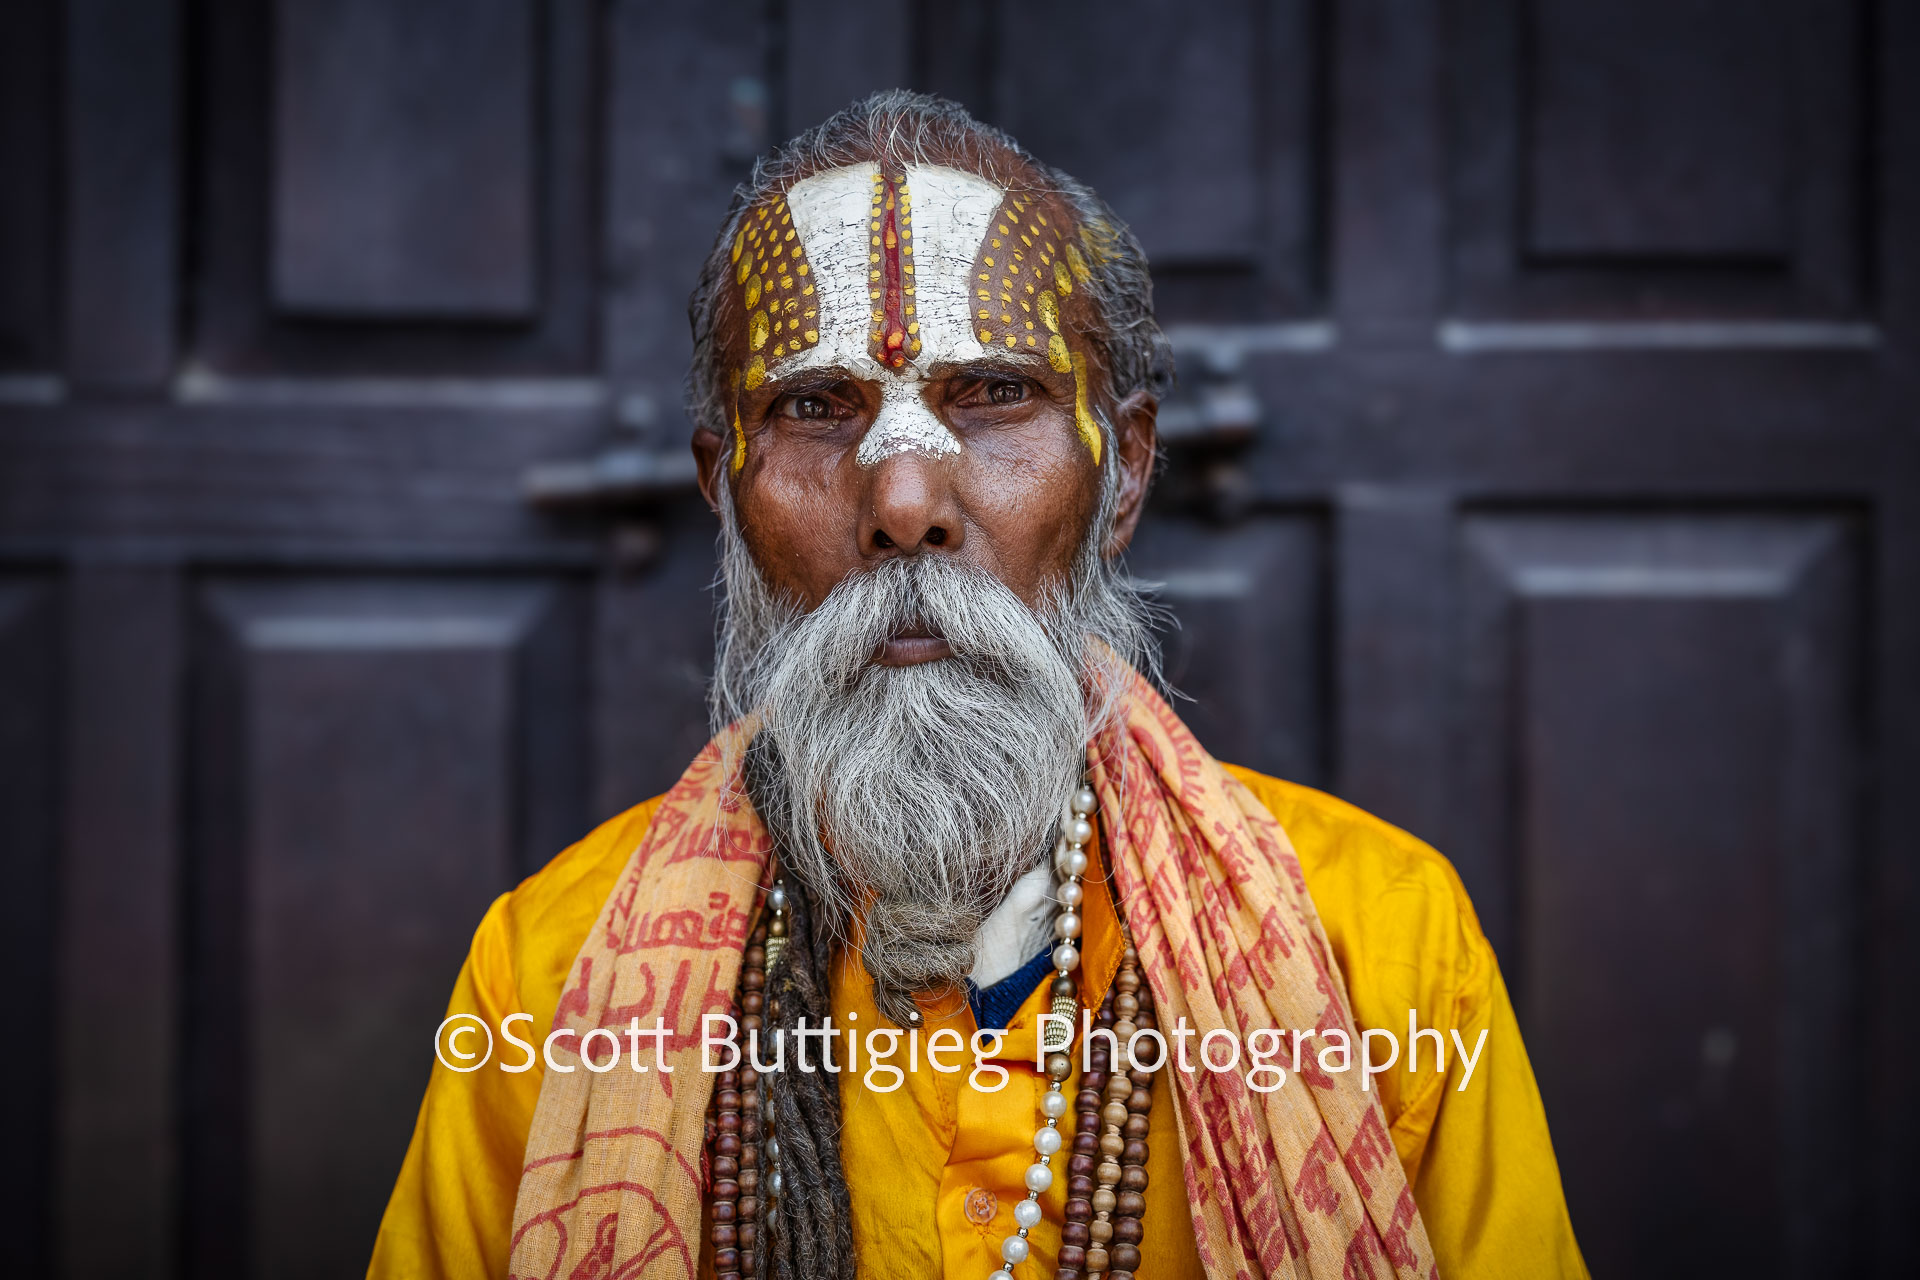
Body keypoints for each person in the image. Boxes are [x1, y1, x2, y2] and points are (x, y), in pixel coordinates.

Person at [370, 91, 1586, 1280]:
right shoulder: (549, 974)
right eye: (815, 407)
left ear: (1123, 477)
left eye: (995, 393)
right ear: (723, 490)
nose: (904, 503)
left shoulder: (1381, 943)